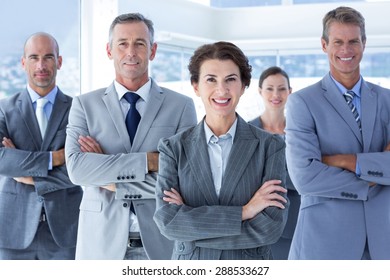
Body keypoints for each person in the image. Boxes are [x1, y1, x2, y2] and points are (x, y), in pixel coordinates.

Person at [65, 13, 197, 260]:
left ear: (153, 50)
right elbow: (77, 170)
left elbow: (185, 179)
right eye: (122, 43)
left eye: (140, 43)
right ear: (109, 50)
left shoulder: (181, 106)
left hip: (163, 245)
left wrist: (106, 174)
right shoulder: (84, 105)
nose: (131, 52)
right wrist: (149, 161)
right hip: (100, 245)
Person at [153, 41, 289, 260]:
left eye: (231, 80)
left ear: (243, 85)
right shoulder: (173, 148)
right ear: (196, 86)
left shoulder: (270, 146)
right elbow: (169, 223)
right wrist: (245, 212)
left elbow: (270, 227)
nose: (222, 90)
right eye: (211, 80)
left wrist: (193, 228)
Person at [285, 6, 390, 260]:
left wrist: (341, 160)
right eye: (338, 42)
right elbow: (305, 178)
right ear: (324, 45)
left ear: (364, 44)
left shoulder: (388, 100)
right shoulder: (302, 102)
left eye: (353, 41)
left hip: (383, 240)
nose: (346, 50)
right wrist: (375, 175)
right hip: (326, 241)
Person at [0, 32, 82, 259]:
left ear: (60, 61)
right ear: (23, 62)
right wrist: (54, 159)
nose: (41, 65)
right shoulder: (4, 109)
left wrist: (28, 175)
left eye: (48, 57)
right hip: (13, 229)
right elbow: (1, 161)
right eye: (34, 57)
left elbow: (80, 168)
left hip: (65, 230)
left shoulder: (79, 110)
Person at [249, 66, 299, 260]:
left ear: (289, 92)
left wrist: (271, 180)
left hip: (296, 219)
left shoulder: (301, 132)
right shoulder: (246, 131)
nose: (275, 94)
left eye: (281, 88)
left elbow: (308, 175)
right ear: (260, 91)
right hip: (258, 222)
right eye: (269, 88)